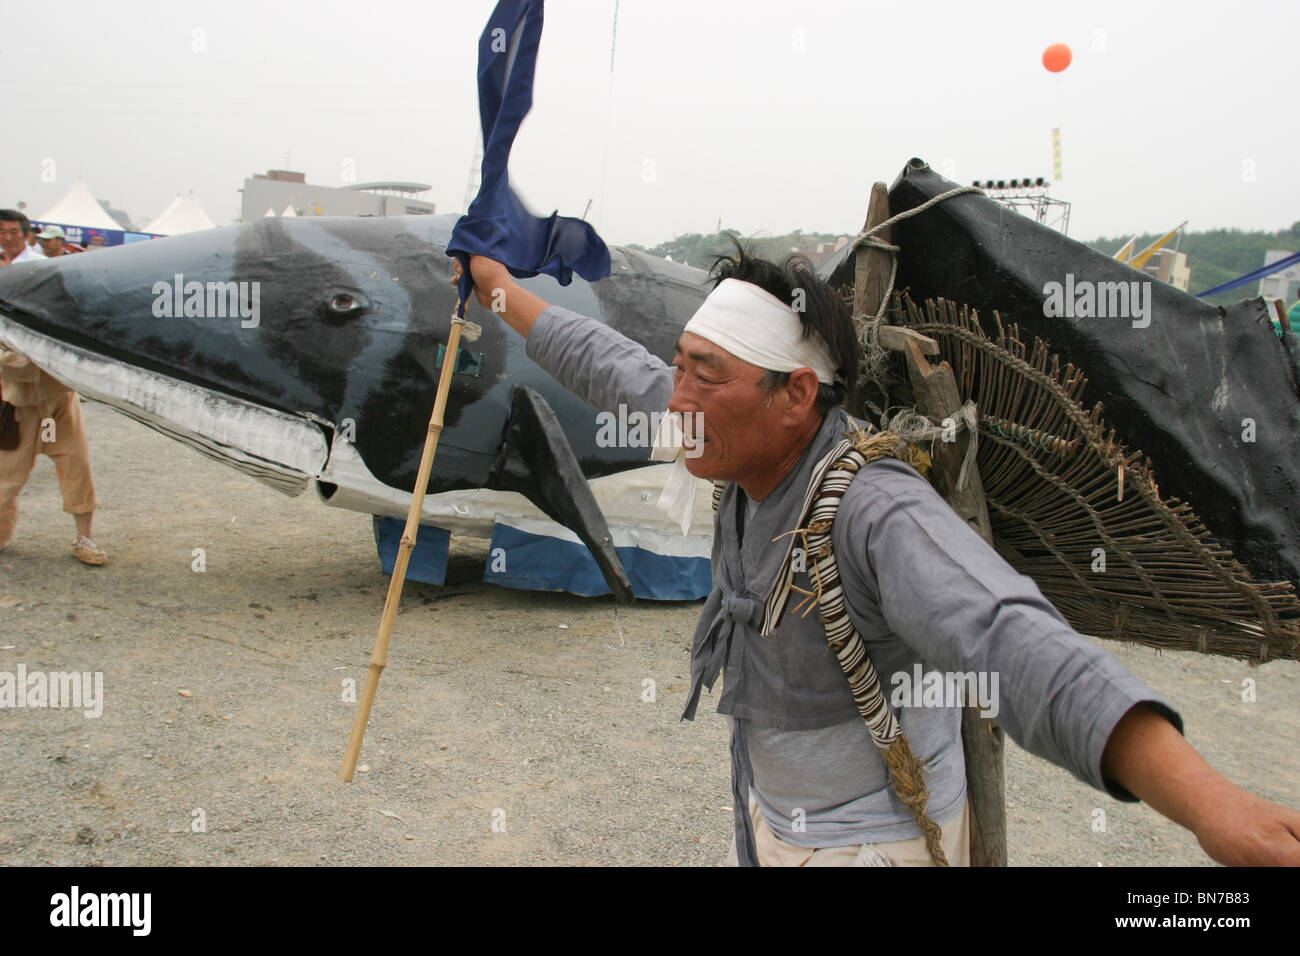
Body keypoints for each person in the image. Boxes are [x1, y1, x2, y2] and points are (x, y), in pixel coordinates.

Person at [455, 247, 1300, 867]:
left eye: (704, 375)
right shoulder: (732, 439)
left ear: (795, 396)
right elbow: (609, 365)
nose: (676, 399)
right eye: (680, 368)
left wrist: (1207, 801)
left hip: (877, 844)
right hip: (770, 809)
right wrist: (496, 289)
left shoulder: (871, 507)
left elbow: (1009, 640)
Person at [0, 343, 106, 565]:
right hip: (21, 409)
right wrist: (38, 355)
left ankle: (84, 540)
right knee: (6, 480)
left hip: (61, 405)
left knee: (77, 467)